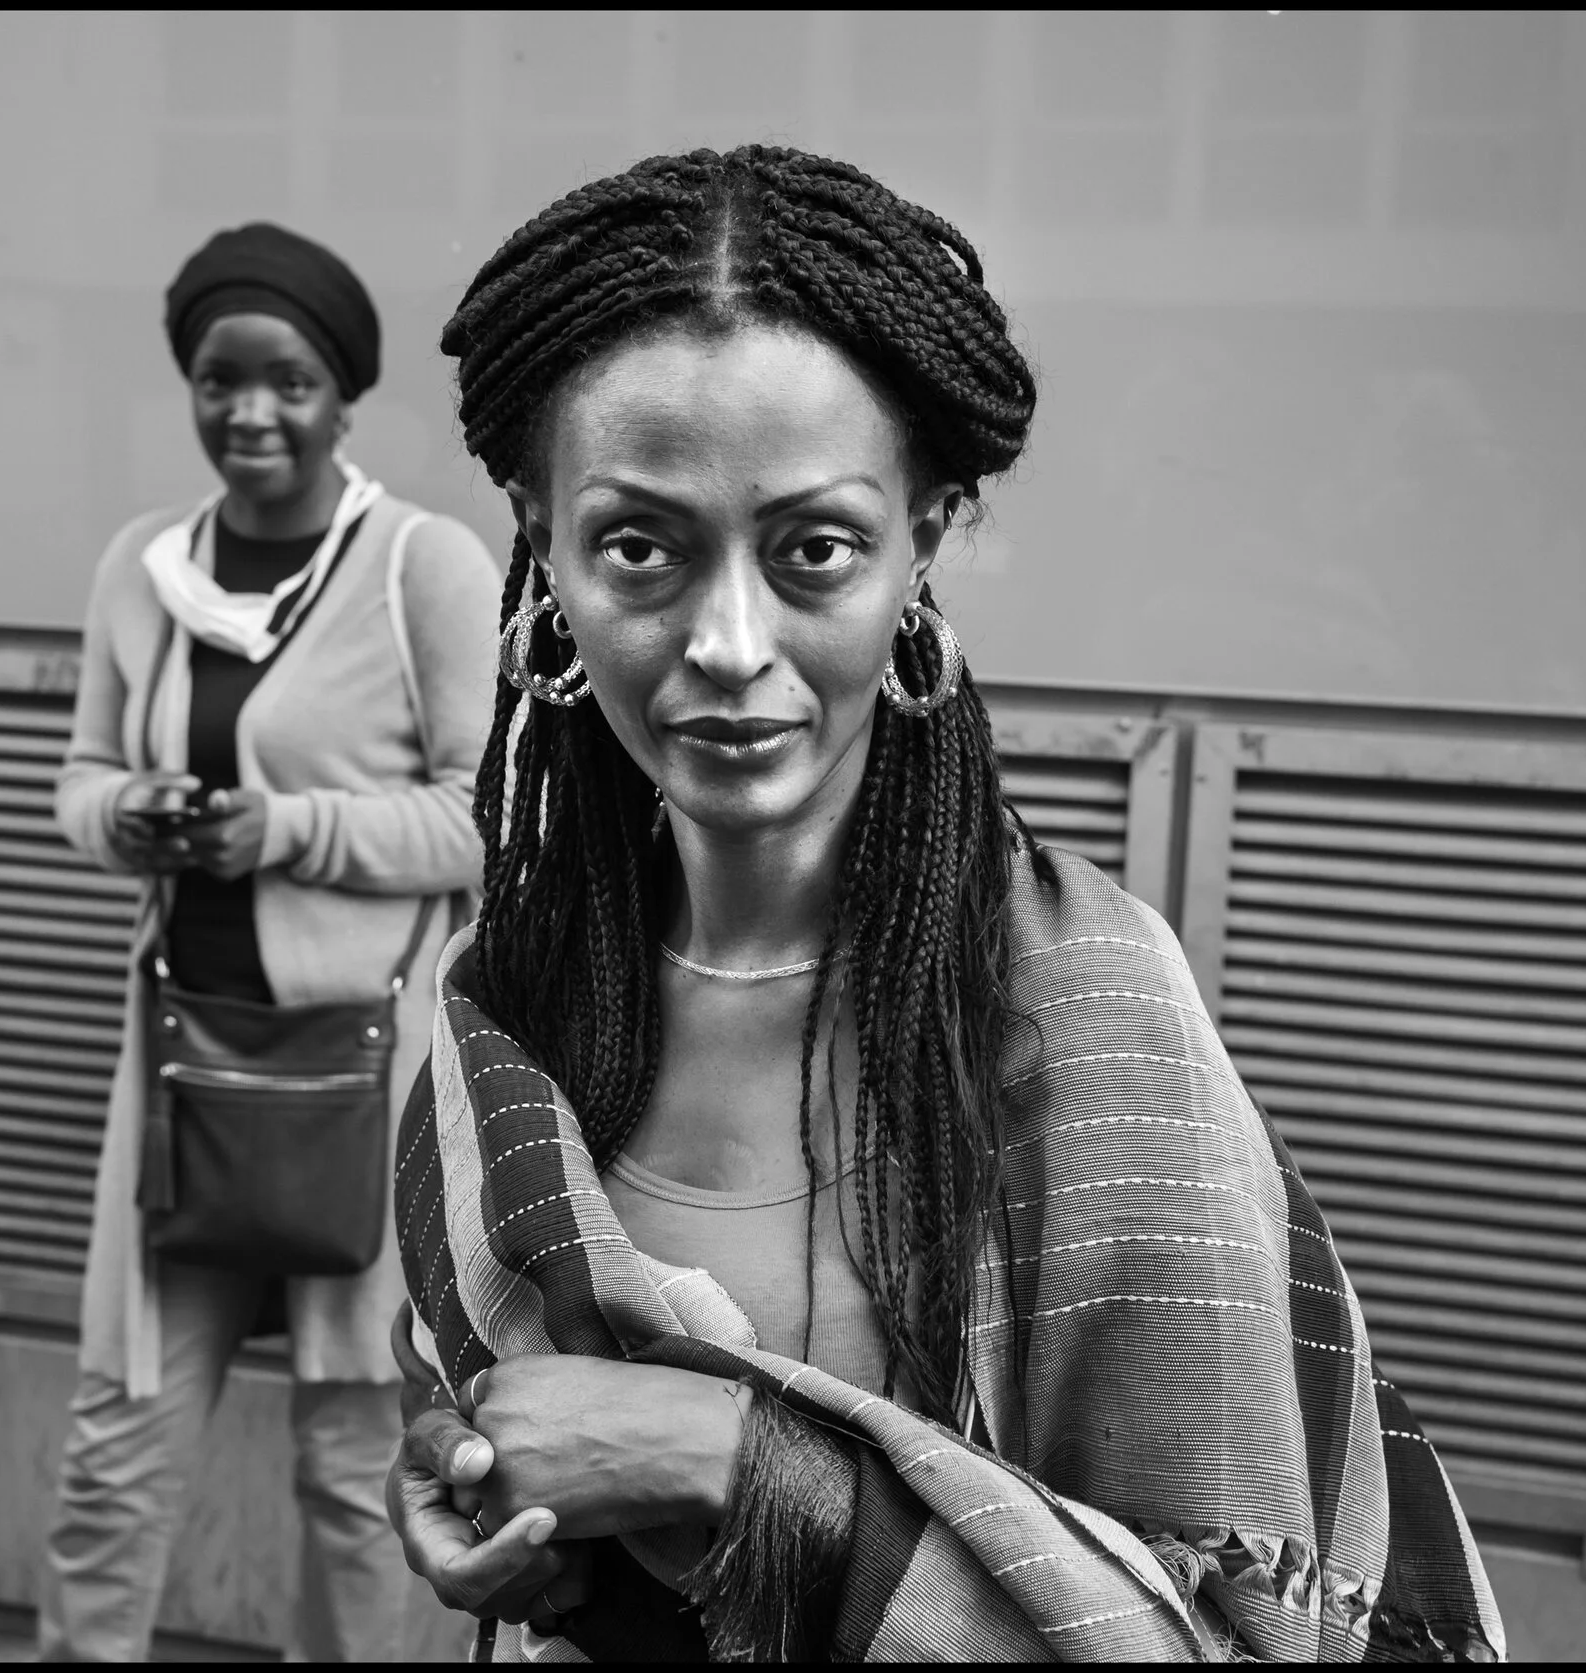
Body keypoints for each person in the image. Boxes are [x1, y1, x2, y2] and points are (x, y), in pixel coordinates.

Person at [384, 147, 1507, 1662]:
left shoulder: (1084, 1016)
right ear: (545, 545)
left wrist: (727, 1467)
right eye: (640, 546)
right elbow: (507, 1425)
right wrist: (475, 1487)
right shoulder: (503, 1006)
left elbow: (1237, 1628)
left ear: (928, 539)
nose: (725, 640)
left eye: (814, 551)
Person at [44, 222, 497, 1662]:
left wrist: (283, 830)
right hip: (183, 1082)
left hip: (361, 1090)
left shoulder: (418, 565)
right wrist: (140, 811)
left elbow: (487, 827)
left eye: (288, 380)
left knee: (361, 1476)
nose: (251, 413)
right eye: (219, 379)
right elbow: (79, 783)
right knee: (114, 1457)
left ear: (344, 394)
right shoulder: (145, 565)